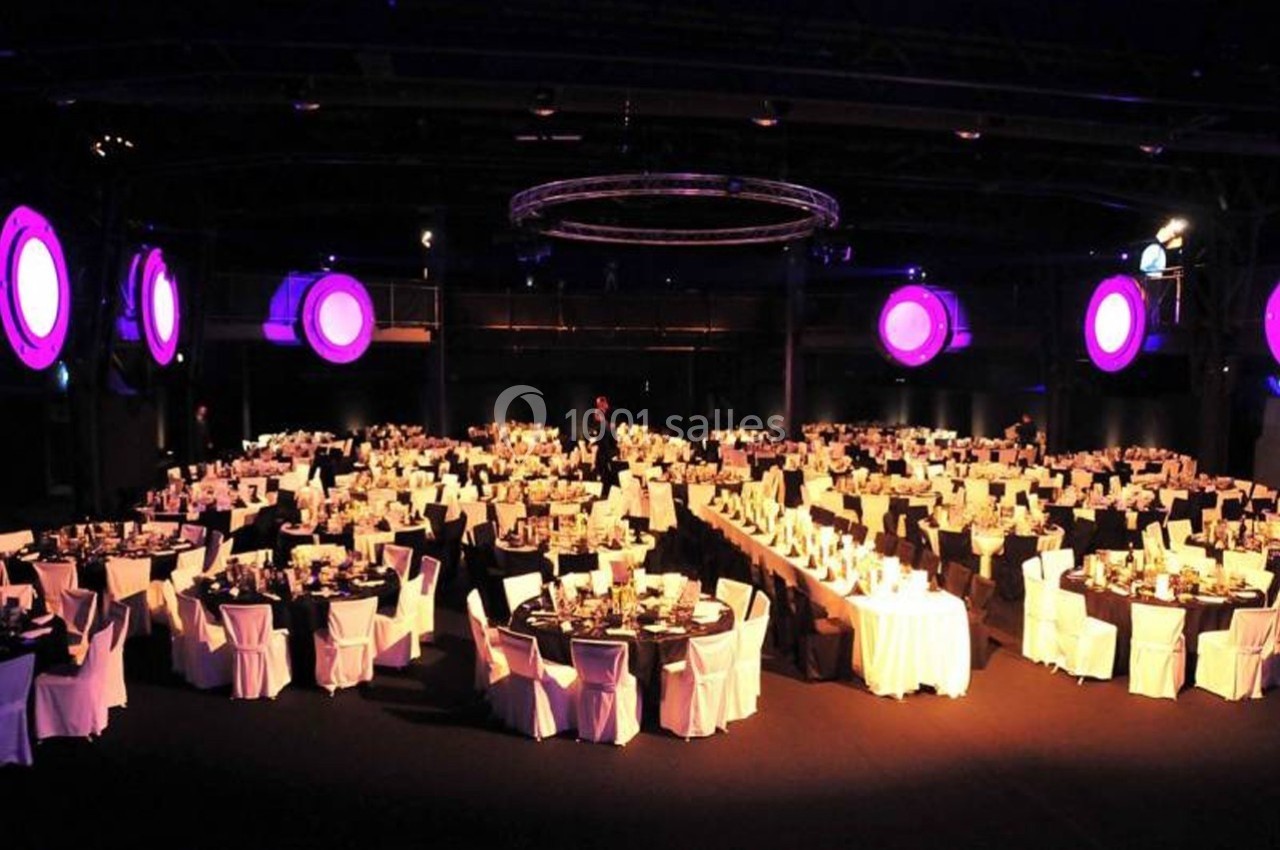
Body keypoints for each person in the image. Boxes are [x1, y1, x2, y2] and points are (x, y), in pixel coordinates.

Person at [588, 395, 618, 496]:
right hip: (605, 454)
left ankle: (604, 495)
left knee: (605, 478)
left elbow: (601, 438)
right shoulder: (604, 423)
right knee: (605, 478)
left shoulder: (605, 423)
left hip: (604, 454)